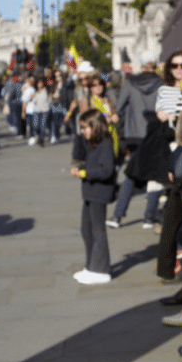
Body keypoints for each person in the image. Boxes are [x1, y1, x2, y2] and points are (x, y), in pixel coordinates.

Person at [108, 52, 165, 228]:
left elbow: (119, 107)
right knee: (155, 175)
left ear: (140, 66)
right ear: (154, 65)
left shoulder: (131, 82)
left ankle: (117, 216)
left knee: (131, 174)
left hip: (134, 135)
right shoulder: (162, 84)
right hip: (155, 133)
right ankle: (149, 217)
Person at [70, 109, 118, 285]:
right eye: (81, 128)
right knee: (86, 230)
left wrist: (84, 173)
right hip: (90, 193)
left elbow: (107, 171)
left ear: (95, 126)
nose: (83, 131)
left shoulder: (105, 144)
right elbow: (78, 152)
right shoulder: (92, 143)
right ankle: (91, 266)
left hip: (99, 192)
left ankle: (101, 269)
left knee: (98, 231)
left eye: (85, 128)